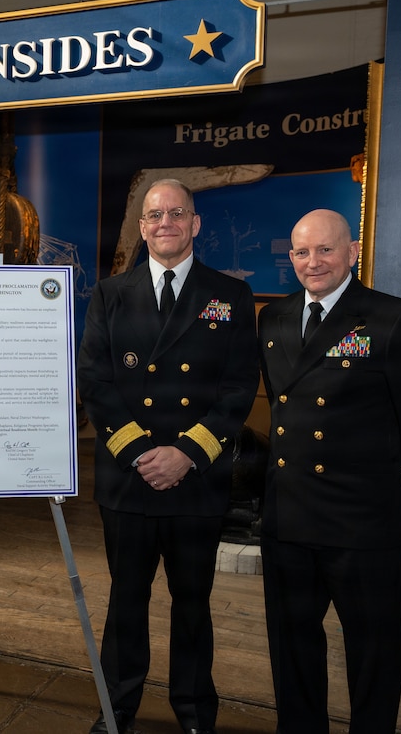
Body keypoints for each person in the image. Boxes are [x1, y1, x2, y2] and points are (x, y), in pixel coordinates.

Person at [78, 178, 259, 734]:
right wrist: (140, 453)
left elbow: (237, 389)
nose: (164, 224)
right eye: (154, 215)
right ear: (142, 227)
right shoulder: (111, 294)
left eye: (176, 213)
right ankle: (117, 710)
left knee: (193, 604)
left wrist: (185, 454)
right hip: (129, 482)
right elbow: (96, 382)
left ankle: (195, 711)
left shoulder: (229, 296)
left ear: (195, 224)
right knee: (125, 602)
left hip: (195, 482)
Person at [258, 209, 401, 733]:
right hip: (288, 517)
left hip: (361, 521)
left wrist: (394, 485)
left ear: (353, 251)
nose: (312, 262)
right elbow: (283, 408)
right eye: (301, 251)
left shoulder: (394, 320)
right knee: (291, 648)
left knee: (372, 653)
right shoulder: (273, 319)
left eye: (325, 249)